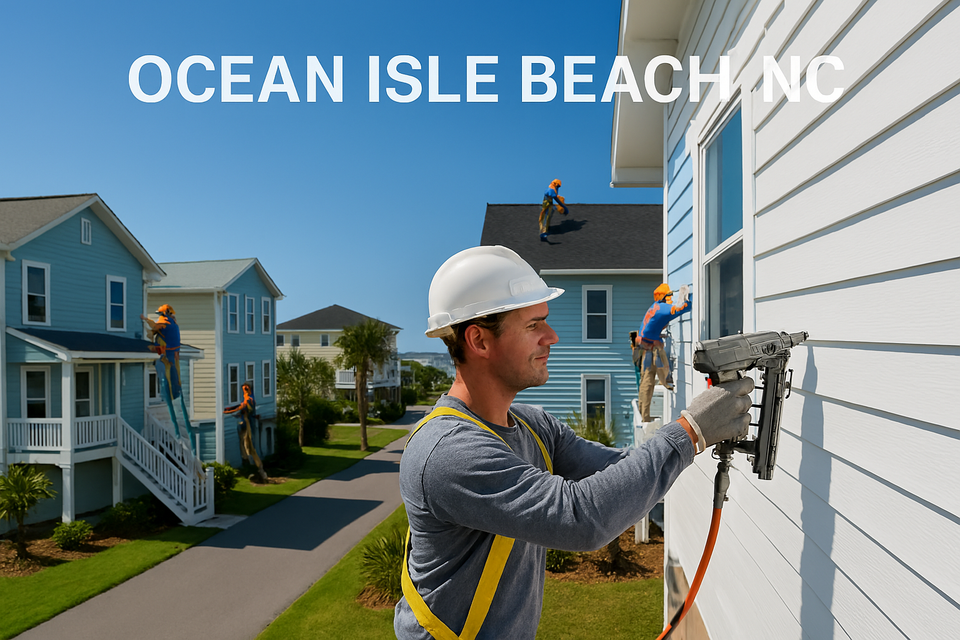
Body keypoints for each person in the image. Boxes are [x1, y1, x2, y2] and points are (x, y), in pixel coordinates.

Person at [395, 245, 753, 639]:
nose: (552, 336)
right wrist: (690, 430)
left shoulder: (532, 426)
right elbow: (581, 518)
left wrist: (694, 438)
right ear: (479, 341)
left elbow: (622, 472)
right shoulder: (448, 452)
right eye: (533, 326)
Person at [635, 283, 691, 424]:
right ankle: (668, 382)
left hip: (644, 347)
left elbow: (653, 325)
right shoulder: (662, 308)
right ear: (664, 297)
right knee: (653, 379)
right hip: (651, 349)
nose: (670, 298)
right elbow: (681, 309)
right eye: (669, 296)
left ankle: (644, 415)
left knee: (645, 383)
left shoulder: (654, 307)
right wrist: (686, 298)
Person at [224, 382, 268, 483]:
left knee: (249, 446)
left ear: (250, 390)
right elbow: (240, 408)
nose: (244, 391)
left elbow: (241, 407)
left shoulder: (250, 400)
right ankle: (249, 468)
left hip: (248, 425)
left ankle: (259, 469)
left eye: (246, 389)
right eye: (243, 390)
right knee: (242, 446)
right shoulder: (246, 399)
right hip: (242, 424)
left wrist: (227, 411)